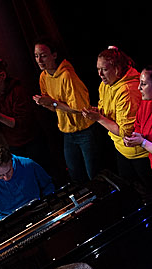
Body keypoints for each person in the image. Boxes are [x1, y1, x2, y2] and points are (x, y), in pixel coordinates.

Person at [32, 40, 104, 185]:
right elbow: (54, 108)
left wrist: (52, 102)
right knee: (74, 174)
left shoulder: (67, 75)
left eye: (43, 56)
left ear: (54, 55)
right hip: (67, 132)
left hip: (85, 130)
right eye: (36, 56)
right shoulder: (44, 77)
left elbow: (80, 109)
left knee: (94, 174)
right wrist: (45, 103)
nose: (39, 60)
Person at [87, 46, 152, 190]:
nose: (100, 74)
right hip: (121, 148)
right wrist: (97, 112)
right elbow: (108, 111)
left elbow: (126, 132)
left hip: (138, 153)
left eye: (104, 69)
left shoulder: (127, 90)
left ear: (117, 68)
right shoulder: (105, 85)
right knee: (130, 191)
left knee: (149, 191)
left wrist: (98, 118)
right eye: (98, 69)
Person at [0, 144, 55, 226]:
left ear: (11, 161)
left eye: (9, 171)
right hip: (10, 223)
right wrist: (4, 222)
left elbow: (48, 185)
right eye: (0, 175)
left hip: (38, 210)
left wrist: (47, 203)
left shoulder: (28, 164)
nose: (6, 178)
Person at [0, 57, 37, 157]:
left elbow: (20, 123)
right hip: (12, 143)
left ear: (3, 75)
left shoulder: (17, 90)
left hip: (31, 140)